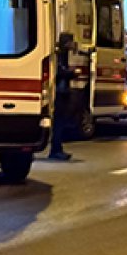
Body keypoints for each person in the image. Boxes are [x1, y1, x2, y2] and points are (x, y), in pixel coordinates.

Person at [49, 33, 76, 161]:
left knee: (60, 123)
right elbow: (58, 73)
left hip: (62, 92)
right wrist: (71, 72)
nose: (72, 44)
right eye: (71, 41)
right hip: (60, 93)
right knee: (59, 123)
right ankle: (56, 150)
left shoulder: (62, 55)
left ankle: (57, 148)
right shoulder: (60, 55)